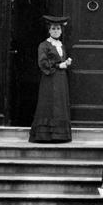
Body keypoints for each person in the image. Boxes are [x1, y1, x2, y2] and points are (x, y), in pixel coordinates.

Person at [29, 15, 73, 143]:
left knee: (60, 104)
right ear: (49, 30)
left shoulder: (61, 45)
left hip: (61, 79)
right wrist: (59, 65)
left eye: (58, 29)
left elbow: (60, 59)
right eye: (53, 29)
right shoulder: (44, 45)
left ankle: (60, 135)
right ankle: (46, 136)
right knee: (49, 104)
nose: (56, 31)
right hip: (50, 78)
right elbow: (42, 62)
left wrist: (66, 62)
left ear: (61, 30)